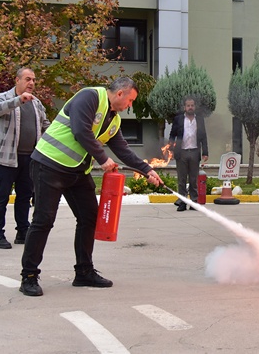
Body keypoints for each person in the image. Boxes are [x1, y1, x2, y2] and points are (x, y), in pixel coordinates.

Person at [19, 77, 163, 297]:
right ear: (121, 94)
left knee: (89, 218)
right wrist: (103, 158)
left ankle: (84, 272)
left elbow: (122, 149)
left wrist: (146, 170)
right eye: (131, 100)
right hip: (49, 165)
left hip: (76, 171)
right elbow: (80, 130)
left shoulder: (114, 121)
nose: (130, 106)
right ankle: (29, 276)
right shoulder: (90, 97)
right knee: (44, 220)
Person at [0, 68, 50, 249]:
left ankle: (23, 231)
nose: (31, 83)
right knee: (2, 197)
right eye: (28, 79)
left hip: (30, 159)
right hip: (6, 160)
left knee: (24, 197)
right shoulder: (3, 98)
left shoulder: (36, 103)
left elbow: (45, 124)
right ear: (17, 80)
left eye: (34, 80)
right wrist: (18, 100)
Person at [168, 95, 208, 211]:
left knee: (193, 179)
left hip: (195, 152)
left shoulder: (199, 119)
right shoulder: (179, 119)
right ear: (184, 107)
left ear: (194, 107)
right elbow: (172, 134)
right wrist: (170, 149)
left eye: (192, 105)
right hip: (182, 153)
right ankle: (182, 202)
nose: (190, 107)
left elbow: (204, 136)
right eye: (188, 105)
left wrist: (205, 152)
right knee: (181, 179)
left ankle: (194, 202)